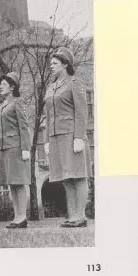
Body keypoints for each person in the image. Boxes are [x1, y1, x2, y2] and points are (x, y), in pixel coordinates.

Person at [44, 47, 93, 228]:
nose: (51, 66)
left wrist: (79, 136)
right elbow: (48, 116)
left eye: (55, 63)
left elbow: (82, 111)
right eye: (51, 63)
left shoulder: (74, 83)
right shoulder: (51, 87)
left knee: (78, 175)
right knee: (66, 178)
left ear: (65, 64)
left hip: (72, 135)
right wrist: (46, 140)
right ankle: (73, 216)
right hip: (56, 137)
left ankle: (81, 216)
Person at [0, 71, 31, 229]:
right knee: (12, 183)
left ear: (12, 87)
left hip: (16, 146)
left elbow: (24, 126)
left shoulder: (18, 102)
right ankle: (17, 216)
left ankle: (22, 216)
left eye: (3, 85)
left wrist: (25, 148)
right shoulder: (3, 104)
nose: (0, 87)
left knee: (19, 182)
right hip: (5, 147)